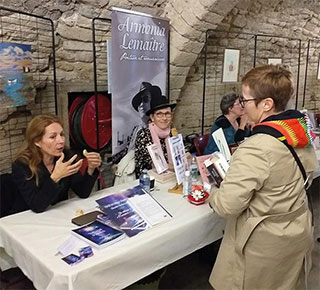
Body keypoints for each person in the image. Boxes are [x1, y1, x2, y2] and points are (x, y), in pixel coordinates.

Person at [208, 65, 318, 290]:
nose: (243, 106)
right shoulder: (297, 130)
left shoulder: (257, 147)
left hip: (265, 244)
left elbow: (227, 206)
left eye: (245, 99)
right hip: (296, 229)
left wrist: (213, 191)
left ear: (266, 104)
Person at [11, 114, 101, 214]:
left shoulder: (66, 156)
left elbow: (83, 192)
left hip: (58, 214)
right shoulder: (22, 164)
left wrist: (91, 168)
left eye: (61, 135)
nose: (61, 141)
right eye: (53, 137)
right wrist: (55, 177)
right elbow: (37, 205)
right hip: (27, 220)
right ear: (37, 141)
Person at [135, 91, 176, 178]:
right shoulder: (144, 135)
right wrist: (179, 166)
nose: (164, 118)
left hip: (171, 176)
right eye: (159, 114)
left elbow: (184, 152)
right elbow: (156, 165)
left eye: (167, 114)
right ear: (152, 117)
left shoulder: (172, 132)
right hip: (148, 180)